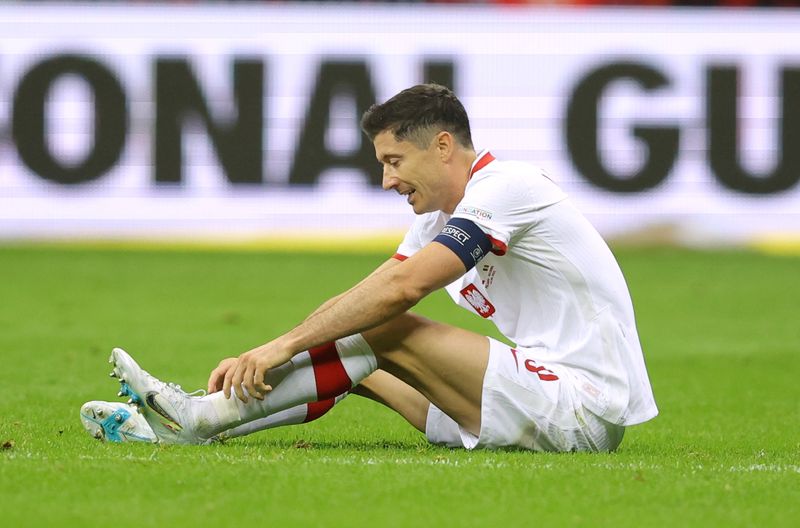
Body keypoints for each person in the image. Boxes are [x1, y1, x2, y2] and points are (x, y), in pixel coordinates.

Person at [85, 83, 658, 452]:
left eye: (393, 161)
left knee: (382, 330)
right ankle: (192, 427)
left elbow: (402, 291)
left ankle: (196, 418)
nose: (387, 180)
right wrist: (261, 353)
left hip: (580, 406)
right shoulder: (440, 215)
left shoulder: (510, 187)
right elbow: (366, 295)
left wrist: (281, 347)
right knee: (359, 359)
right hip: (536, 395)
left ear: (440, 146)